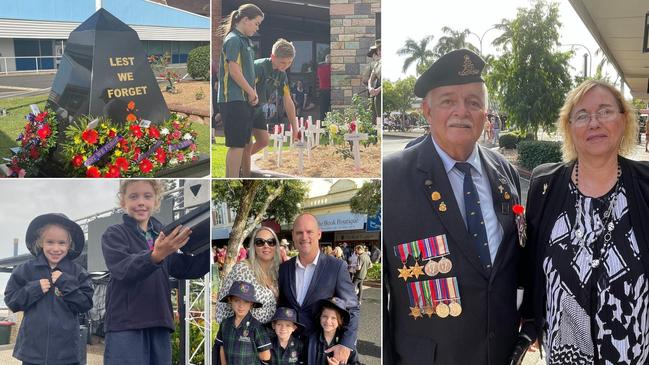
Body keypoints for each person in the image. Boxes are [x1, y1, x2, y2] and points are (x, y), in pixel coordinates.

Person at [383, 49, 524, 365]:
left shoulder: (506, 173)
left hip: (499, 354)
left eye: (474, 102)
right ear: (427, 110)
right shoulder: (390, 178)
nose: (462, 111)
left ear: (485, 114)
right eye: (448, 101)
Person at [517, 79, 649, 364]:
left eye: (605, 111)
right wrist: (530, 318)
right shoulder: (545, 186)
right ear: (569, 128)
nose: (594, 123)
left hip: (635, 353)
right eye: (582, 115)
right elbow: (531, 262)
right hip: (564, 354)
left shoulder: (645, 185)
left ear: (624, 120)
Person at [101, 180, 209, 365]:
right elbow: (124, 269)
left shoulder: (163, 237)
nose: (141, 202)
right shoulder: (114, 234)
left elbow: (187, 267)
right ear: (123, 202)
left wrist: (214, 246)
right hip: (125, 325)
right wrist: (157, 254)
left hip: (159, 322)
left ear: (156, 201)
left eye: (147, 196)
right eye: (133, 196)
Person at [5, 213, 93, 365]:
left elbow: (85, 304)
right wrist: (34, 289)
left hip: (66, 354)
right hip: (32, 352)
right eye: (50, 242)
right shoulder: (25, 270)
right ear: (40, 243)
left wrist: (65, 283)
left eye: (62, 243)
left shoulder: (78, 272)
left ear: (69, 245)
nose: (56, 248)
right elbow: (12, 301)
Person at [278, 213, 359, 364]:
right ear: (293, 236)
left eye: (309, 232)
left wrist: (346, 344)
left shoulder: (336, 267)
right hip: (290, 349)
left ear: (319, 234)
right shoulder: (284, 269)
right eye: (299, 232)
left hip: (320, 351)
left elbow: (352, 308)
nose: (304, 237)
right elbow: (282, 305)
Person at [217, 4, 264, 177]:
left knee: (243, 143)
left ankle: (235, 178)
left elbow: (248, 72)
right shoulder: (234, 39)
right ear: (245, 20)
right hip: (233, 99)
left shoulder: (246, 41)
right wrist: (251, 92)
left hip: (243, 100)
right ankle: (231, 180)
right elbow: (234, 71)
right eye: (256, 23)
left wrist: (253, 91)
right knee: (236, 145)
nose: (257, 27)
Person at [243, 38, 299, 177]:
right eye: (282, 62)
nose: (286, 66)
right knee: (247, 143)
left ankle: (239, 161)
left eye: (289, 62)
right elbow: (250, 87)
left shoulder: (282, 74)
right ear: (273, 56)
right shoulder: (259, 66)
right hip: (244, 106)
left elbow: (288, 100)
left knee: (263, 141)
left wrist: (295, 128)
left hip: (258, 108)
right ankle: (244, 173)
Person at [216, 226, 280, 324]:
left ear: (276, 246)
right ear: (254, 246)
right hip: (246, 335)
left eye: (271, 242)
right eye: (260, 242)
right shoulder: (242, 269)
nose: (266, 245)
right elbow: (223, 306)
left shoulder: (278, 271)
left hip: (271, 334)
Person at [216, 280, 272, 364]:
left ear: (252, 304)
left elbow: (266, 356)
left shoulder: (256, 326)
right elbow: (222, 348)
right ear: (230, 300)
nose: (241, 306)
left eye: (246, 301)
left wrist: (250, 354)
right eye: (236, 300)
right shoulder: (225, 324)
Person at [307, 297, 360, 365]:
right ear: (320, 317)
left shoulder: (346, 345)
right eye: (324, 316)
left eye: (333, 318)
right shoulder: (309, 339)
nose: (328, 321)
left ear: (340, 320)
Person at [367, 39, 381, 123]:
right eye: (378, 50)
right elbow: (370, 79)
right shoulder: (377, 64)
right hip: (376, 95)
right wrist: (370, 88)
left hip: (381, 92)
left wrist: (378, 89)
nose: (379, 52)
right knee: (376, 119)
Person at [317, 54, 331, 121]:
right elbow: (324, 77)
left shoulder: (326, 67)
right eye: (328, 58)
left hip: (329, 90)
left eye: (330, 58)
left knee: (329, 109)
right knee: (323, 109)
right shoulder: (321, 68)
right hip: (323, 90)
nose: (329, 59)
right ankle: (323, 125)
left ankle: (329, 124)